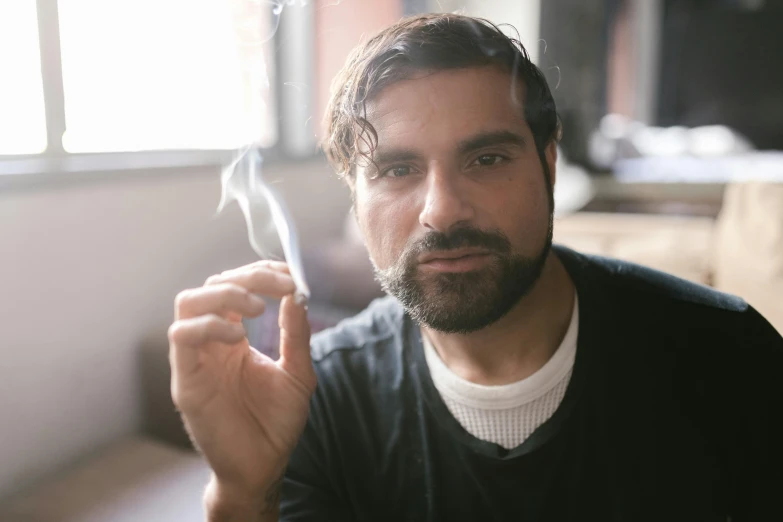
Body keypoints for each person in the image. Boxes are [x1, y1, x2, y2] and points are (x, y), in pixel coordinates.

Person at [167, 13, 783, 522]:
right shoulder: (321, 399)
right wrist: (243, 491)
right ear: (354, 195)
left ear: (548, 163)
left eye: (486, 159)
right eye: (397, 170)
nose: (441, 211)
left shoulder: (726, 352)